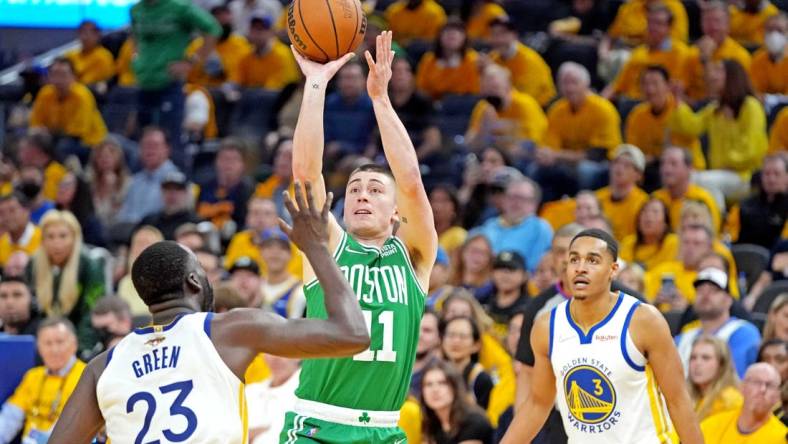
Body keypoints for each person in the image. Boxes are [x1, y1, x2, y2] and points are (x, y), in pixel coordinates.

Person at [47, 181, 371, 443]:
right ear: (193, 281)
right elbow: (353, 334)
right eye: (202, 269)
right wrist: (315, 247)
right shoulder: (229, 329)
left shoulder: (103, 366)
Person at [281, 31, 438, 442]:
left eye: (374, 189)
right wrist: (315, 83)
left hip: (384, 430)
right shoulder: (330, 246)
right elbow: (305, 174)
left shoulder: (415, 258)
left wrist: (380, 99)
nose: (362, 195)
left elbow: (411, 181)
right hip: (317, 426)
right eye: (353, 189)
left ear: (395, 211)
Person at [502, 229, 704, 443]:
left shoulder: (643, 320)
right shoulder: (546, 327)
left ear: (613, 270)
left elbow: (678, 400)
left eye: (592, 260)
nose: (580, 268)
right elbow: (538, 403)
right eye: (574, 260)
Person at [130, 0, 221, 170]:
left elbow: (213, 29)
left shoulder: (179, 8)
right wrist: (136, 59)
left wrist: (192, 61)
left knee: (171, 142)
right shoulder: (136, 10)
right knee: (143, 144)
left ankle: (178, 187)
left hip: (169, 85)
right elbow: (135, 37)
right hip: (144, 83)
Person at [669, 59, 768, 201]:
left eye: (718, 71)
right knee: (690, 180)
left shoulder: (751, 106)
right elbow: (691, 127)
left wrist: (727, 163)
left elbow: (752, 150)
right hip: (721, 174)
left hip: (746, 175)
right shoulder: (715, 109)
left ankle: (714, 218)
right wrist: (678, 101)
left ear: (733, 76)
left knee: (700, 181)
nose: (712, 76)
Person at [534, 62, 622, 197]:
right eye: (565, 83)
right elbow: (549, 145)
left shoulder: (603, 109)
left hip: (601, 164)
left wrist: (557, 155)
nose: (569, 88)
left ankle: (583, 207)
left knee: (585, 170)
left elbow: (597, 155)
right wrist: (544, 155)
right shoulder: (556, 110)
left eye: (574, 82)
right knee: (535, 167)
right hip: (566, 162)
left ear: (586, 84)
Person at [26, 210, 106, 352]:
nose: (57, 243)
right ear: (43, 240)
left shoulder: (90, 266)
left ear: (75, 238)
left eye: (63, 236)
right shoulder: (32, 265)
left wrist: (79, 350)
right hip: (43, 340)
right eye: (50, 236)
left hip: (78, 340)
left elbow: (91, 313)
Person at [0, 318, 85, 443]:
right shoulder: (33, 376)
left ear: (74, 344)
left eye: (60, 342)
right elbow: (10, 417)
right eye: (48, 343)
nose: (54, 350)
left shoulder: (86, 376)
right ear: (39, 348)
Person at [675, 268, 762, 378]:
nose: (705, 295)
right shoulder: (684, 338)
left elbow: (735, 377)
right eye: (700, 290)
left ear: (729, 299)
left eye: (713, 290)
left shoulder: (743, 333)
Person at [605, 3, 691, 101]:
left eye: (658, 23)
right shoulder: (639, 52)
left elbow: (675, 89)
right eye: (650, 23)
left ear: (669, 28)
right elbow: (616, 86)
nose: (653, 27)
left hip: (658, 105)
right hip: (632, 105)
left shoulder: (679, 53)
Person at [28, 58, 107, 160]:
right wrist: (40, 131)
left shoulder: (82, 95)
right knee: (29, 144)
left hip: (90, 143)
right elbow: (35, 126)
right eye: (55, 75)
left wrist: (48, 131)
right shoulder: (45, 94)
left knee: (62, 147)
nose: (58, 80)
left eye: (63, 75)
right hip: (56, 137)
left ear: (73, 77)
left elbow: (76, 133)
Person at [473, 178, 553, 275]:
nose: (515, 202)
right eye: (511, 197)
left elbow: (535, 267)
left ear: (534, 204)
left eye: (521, 198)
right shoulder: (490, 225)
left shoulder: (540, 228)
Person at [464, 64, 547, 151]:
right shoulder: (483, 107)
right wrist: (482, 129)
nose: (491, 93)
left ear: (508, 87)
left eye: (495, 88)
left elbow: (533, 145)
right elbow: (469, 144)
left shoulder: (524, 104)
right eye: (486, 89)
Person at [700, 363, 787, 443]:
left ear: (778, 396)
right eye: (756, 382)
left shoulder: (782, 438)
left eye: (770, 385)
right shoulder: (711, 425)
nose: (762, 389)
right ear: (742, 387)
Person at [684, 1, 752, 101]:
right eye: (708, 21)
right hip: (695, 109)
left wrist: (706, 60)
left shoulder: (739, 56)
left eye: (717, 21)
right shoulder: (691, 53)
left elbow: (728, 96)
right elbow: (682, 90)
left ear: (728, 24)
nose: (713, 27)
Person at [117, 127, 181, 224]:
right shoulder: (134, 181)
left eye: (155, 145)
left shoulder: (177, 182)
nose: (150, 150)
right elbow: (123, 216)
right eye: (146, 145)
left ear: (167, 149)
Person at [420, 360, 493, 444]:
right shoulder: (432, 424)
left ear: (455, 388)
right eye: (428, 384)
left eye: (442, 383)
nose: (435, 389)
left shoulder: (473, 421)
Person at [488, 17, 555, 107]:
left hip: (539, 107)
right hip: (508, 106)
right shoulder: (492, 58)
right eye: (494, 34)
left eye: (503, 34)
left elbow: (528, 97)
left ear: (514, 35)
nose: (498, 40)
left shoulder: (528, 59)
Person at [652, 146, 721, 233]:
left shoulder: (702, 200)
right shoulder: (655, 199)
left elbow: (711, 237)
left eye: (673, 164)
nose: (666, 169)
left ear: (689, 168)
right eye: (663, 164)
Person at [725, 154, 788, 249]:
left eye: (777, 174)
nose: (771, 179)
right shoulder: (743, 207)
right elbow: (728, 239)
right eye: (767, 174)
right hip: (744, 258)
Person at [196, 137, 255, 231]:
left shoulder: (249, 191)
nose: (228, 164)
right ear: (216, 161)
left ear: (243, 164)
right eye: (224, 159)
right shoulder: (204, 187)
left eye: (234, 159)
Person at [416, 20, 481, 100]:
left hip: (465, 104)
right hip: (434, 104)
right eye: (447, 31)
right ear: (439, 37)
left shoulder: (474, 59)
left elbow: (475, 90)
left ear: (465, 38)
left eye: (458, 31)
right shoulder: (428, 59)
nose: (452, 33)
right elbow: (421, 89)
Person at [440, 315, 494, 409]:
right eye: (451, 335)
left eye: (463, 336)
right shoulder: (435, 373)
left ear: (476, 345)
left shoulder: (481, 379)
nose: (456, 341)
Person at [246, 355, 301, 444]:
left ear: (299, 355)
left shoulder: (305, 396)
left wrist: (246, 435)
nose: (275, 358)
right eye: (269, 351)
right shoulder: (250, 391)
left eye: (282, 352)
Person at [687, 335, 743, 421]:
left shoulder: (730, 401)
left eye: (706, 358)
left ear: (721, 364)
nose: (697, 363)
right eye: (693, 358)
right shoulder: (690, 397)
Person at [235, 14, 298, 90]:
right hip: (252, 96)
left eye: (260, 29)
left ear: (271, 32)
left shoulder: (282, 54)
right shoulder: (246, 54)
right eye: (253, 28)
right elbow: (238, 83)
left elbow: (285, 87)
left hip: (280, 98)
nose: (256, 33)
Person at [140, 171, 203, 240]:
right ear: (161, 192)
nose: (172, 194)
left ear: (186, 193)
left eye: (178, 189)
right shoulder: (149, 222)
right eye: (168, 188)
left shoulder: (197, 223)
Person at [620, 198, 678, 270]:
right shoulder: (629, 242)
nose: (648, 216)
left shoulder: (673, 243)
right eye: (644, 211)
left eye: (655, 212)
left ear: (665, 223)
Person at [64, 20, 115, 86]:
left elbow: (105, 82)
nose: (85, 37)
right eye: (82, 33)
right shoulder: (70, 56)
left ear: (97, 35)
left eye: (88, 33)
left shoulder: (104, 57)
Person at [749, 12, 788, 95]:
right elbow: (754, 92)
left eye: (780, 30)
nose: (774, 35)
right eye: (770, 30)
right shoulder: (757, 59)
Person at [0, 192, 41, 268]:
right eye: (1, 213)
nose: (7, 217)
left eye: (12, 210)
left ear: (27, 211)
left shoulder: (43, 239)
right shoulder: (1, 243)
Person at [410, 310, 441, 396]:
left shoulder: (443, 374)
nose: (419, 335)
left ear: (439, 337)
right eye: (415, 328)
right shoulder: (392, 366)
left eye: (427, 330)